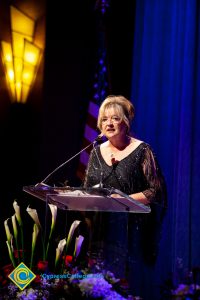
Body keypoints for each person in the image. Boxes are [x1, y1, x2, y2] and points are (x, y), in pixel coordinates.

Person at [83, 95, 167, 299]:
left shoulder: (142, 150)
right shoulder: (95, 152)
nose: (109, 123)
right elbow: (87, 189)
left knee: (127, 290)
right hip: (102, 233)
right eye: (104, 119)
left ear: (126, 122)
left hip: (133, 233)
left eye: (115, 118)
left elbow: (156, 191)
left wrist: (121, 200)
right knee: (99, 288)